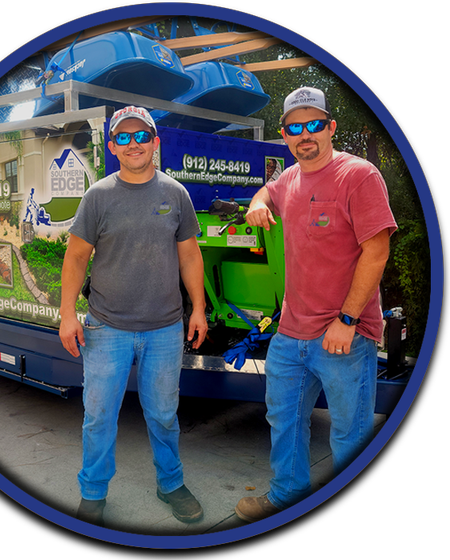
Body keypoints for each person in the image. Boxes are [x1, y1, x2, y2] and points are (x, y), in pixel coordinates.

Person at [235, 87, 398, 522]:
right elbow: (271, 189)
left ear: (330, 128)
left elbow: (377, 252)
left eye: (313, 125)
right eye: (294, 127)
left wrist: (346, 320)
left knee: (350, 435)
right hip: (291, 333)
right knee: (284, 422)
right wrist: (256, 202)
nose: (304, 135)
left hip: (343, 335)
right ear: (285, 135)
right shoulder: (289, 178)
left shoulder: (358, 175)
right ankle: (288, 496)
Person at [59, 106, 208, 527]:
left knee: (163, 412)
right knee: (99, 415)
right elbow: (75, 258)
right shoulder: (98, 196)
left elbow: (189, 255)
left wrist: (197, 308)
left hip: (164, 327)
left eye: (141, 135)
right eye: (123, 138)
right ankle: (93, 493)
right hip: (106, 327)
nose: (133, 144)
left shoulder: (176, 194)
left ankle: (171, 483)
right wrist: (67, 314)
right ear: (112, 147)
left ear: (155, 142)